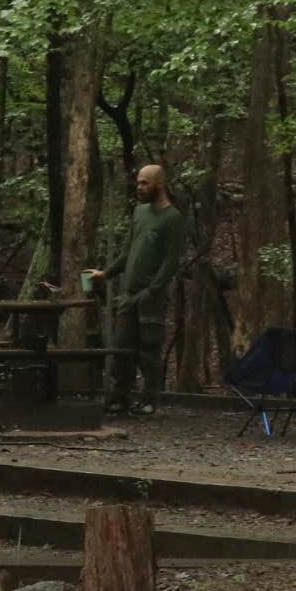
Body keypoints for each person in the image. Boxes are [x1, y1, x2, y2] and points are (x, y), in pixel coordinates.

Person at [88, 164, 188, 416]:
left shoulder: (172, 218)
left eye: (145, 183)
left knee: (148, 350)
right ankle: (118, 398)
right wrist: (106, 273)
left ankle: (149, 400)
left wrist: (152, 290)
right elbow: (127, 251)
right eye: (138, 182)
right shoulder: (139, 213)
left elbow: (171, 261)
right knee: (122, 347)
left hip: (150, 297)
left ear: (160, 184)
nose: (139, 187)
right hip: (128, 293)